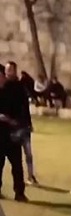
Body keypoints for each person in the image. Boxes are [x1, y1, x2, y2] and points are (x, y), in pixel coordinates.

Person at [0, 65, 29, 202]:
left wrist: (15, 122)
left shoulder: (14, 91)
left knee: (17, 165)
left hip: (12, 135)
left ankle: (19, 193)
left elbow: (21, 109)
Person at [5, 62, 37, 184]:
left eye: (10, 70)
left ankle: (31, 176)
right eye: (7, 70)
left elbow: (25, 106)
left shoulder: (20, 86)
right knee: (13, 157)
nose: (8, 72)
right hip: (10, 128)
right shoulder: (4, 87)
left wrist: (29, 123)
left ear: (15, 71)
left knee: (28, 153)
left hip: (23, 125)